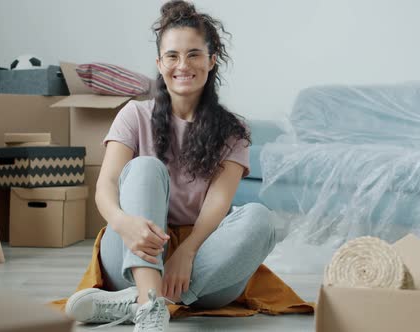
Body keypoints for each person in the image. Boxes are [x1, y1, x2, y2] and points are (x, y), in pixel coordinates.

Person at [65, 1, 275, 331]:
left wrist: (188, 252)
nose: (183, 65)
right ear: (160, 63)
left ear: (212, 59)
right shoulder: (133, 115)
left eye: (194, 54)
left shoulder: (235, 131)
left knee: (261, 219)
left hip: (200, 266)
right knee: (146, 167)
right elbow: (105, 186)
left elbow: (218, 203)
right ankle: (150, 303)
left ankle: (143, 303)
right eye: (173, 56)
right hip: (132, 250)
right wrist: (122, 223)